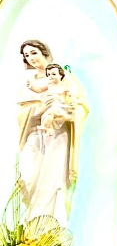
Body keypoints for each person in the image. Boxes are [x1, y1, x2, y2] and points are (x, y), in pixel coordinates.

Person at [16, 39, 88, 225]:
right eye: (26, 55)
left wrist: (63, 111)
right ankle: (32, 227)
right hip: (34, 133)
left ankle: (51, 229)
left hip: (57, 134)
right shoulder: (30, 83)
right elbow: (22, 113)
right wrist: (39, 109)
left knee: (53, 179)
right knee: (28, 177)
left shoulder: (62, 75)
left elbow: (79, 106)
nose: (31, 58)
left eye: (34, 52)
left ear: (44, 52)